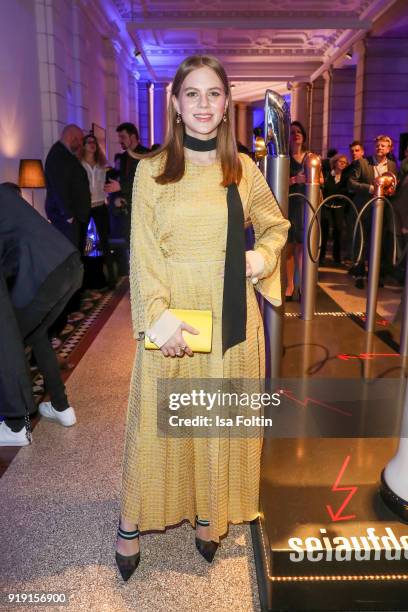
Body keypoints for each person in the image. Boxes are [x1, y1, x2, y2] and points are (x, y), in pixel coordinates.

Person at [115, 54, 289, 580]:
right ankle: (131, 520)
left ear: (227, 103)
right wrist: (158, 320)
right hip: (174, 307)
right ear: (174, 103)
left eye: (214, 94)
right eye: (192, 93)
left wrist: (260, 259)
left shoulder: (242, 169)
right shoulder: (150, 170)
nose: (204, 105)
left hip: (233, 314)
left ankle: (209, 515)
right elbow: (143, 253)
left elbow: (275, 225)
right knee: (156, 419)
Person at [0, 184, 83, 446]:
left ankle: (15, 426)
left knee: (6, 344)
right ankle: (61, 407)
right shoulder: (5, 196)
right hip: (70, 266)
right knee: (36, 335)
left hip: (46, 276)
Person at [348, 135, 398, 288]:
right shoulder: (363, 163)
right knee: (362, 242)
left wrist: (390, 190)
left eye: (383, 146)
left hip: (382, 210)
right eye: (378, 145)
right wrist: (371, 188)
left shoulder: (392, 165)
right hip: (364, 208)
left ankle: (375, 275)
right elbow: (351, 183)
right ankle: (359, 274)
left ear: (389, 149)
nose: (380, 148)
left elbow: (394, 184)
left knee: (378, 242)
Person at [45, 124, 91, 252]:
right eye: (81, 140)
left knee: (74, 252)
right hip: (66, 218)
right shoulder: (58, 155)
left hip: (71, 217)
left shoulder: (64, 153)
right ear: (71, 137)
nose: (82, 144)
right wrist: (68, 215)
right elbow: (59, 187)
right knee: (69, 254)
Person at [104, 122, 149, 246]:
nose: (119, 141)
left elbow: (145, 180)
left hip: (143, 209)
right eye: (119, 137)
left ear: (133, 137)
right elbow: (123, 179)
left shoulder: (146, 154)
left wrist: (121, 186)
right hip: (128, 210)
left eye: (122, 137)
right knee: (131, 245)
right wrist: (118, 196)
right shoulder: (123, 157)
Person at [80, 133, 116, 288]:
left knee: (105, 243)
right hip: (85, 208)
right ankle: (82, 281)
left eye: (94, 142)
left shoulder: (103, 165)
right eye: (88, 142)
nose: (92, 144)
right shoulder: (79, 164)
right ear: (83, 146)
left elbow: (107, 185)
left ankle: (112, 280)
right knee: (83, 244)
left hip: (100, 207)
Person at [286, 120, 308, 301]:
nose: (296, 134)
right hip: (289, 205)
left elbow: (321, 180)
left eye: (299, 131)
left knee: (302, 247)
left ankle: (301, 286)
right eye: (293, 132)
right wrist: (294, 180)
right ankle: (290, 286)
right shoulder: (284, 158)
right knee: (289, 248)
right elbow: (276, 182)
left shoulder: (311, 157)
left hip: (305, 205)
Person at [320, 154, 350, 265]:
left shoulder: (347, 177)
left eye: (345, 162)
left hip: (339, 207)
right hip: (326, 206)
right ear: (335, 162)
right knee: (324, 231)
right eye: (340, 161)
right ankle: (321, 256)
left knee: (338, 231)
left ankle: (337, 258)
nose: (342, 164)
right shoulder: (328, 175)